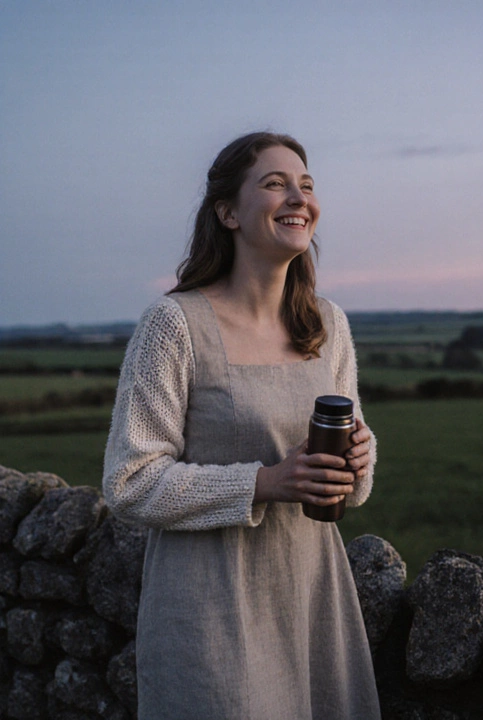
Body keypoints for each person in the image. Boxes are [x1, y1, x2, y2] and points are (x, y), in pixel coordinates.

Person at [102, 132, 381, 719]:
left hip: (311, 600)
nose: (298, 197)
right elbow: (130, 481)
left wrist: (357, 458)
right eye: (275, 183)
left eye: (306, 185)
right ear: (227, 212)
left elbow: (353, 473)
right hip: (210, 613)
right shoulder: (173, 325)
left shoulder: (328, 324)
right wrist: (265, 483)